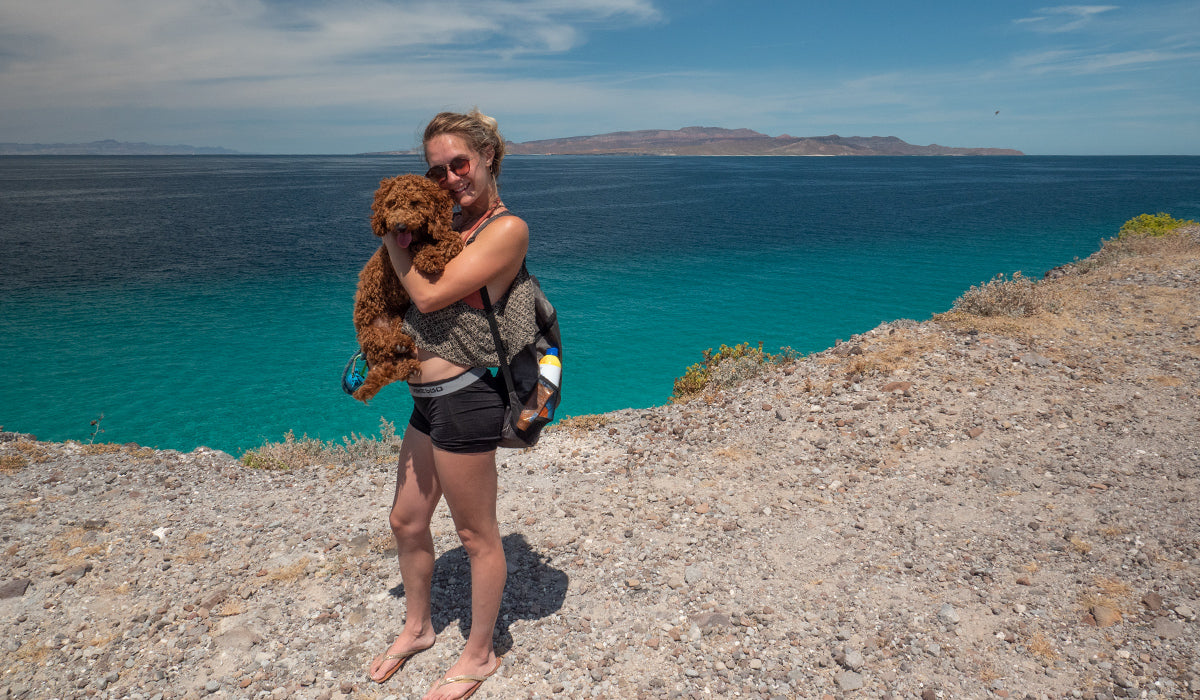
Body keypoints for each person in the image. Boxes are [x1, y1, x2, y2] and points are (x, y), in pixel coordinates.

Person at [366, 109, 537, 699]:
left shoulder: (506, 230)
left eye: (459, 164)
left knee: (475, 535)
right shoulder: (448, 227)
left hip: (466, 398)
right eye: (436, 171)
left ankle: (481, 653)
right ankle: (417, 629)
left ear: (488, 157)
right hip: (424, 398)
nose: (449, 180)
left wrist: (391, 241)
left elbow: (433, 295)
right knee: (406, 520)